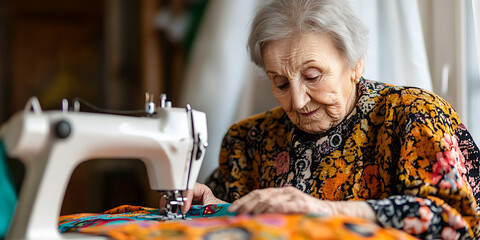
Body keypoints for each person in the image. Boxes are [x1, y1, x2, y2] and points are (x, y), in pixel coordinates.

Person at [172, 0, 480, 238]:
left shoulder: (414, 117)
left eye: (312, 76)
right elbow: (227, 218)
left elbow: (456, 221)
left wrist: (326, 209)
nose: (297, 100)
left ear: (355, 64)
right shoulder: (249, 140)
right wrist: (208, 204)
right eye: (280, 83)